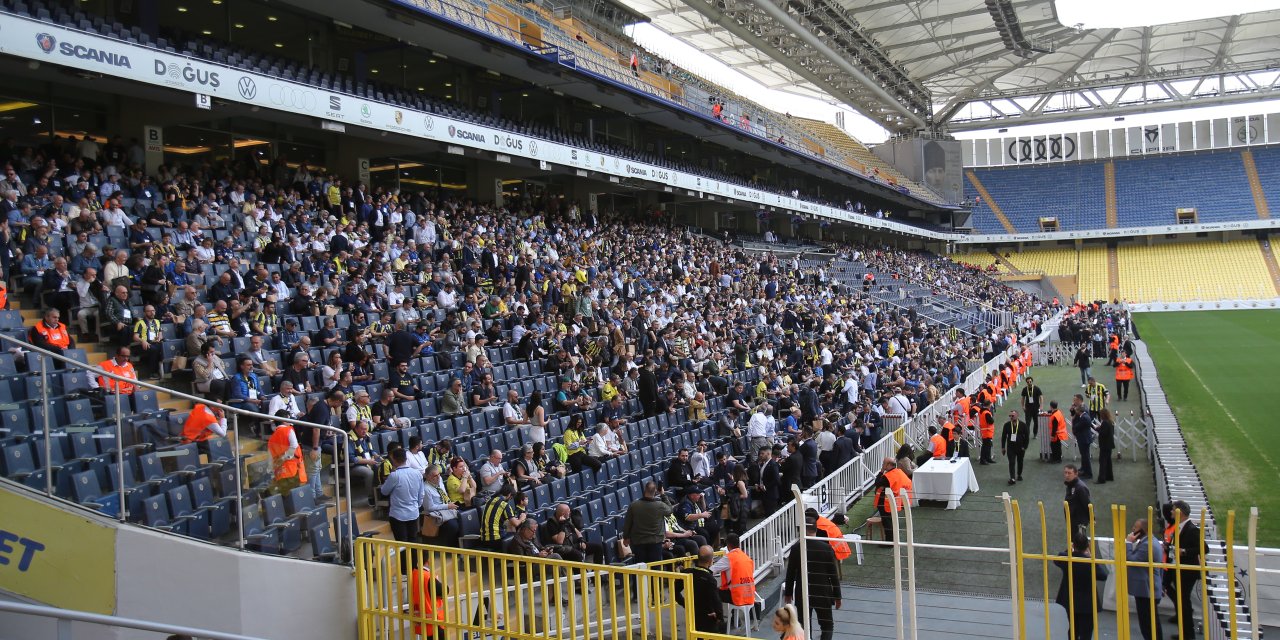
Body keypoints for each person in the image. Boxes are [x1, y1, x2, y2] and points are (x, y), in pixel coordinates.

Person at [784, 517, 842, 640]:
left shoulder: (796, 549)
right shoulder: (826, 548)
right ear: (816, 529)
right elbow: (833, 575)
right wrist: (838, 596)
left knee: (804, 625)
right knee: (827, 625)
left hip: (803, 592)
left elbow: (790, 574)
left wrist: (788, 594)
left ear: (803, 530)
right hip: (823, 592)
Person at [1054, 531, 1107, 640]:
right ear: (1087, 546)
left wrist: (1069, 551)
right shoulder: (1089, 563)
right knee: (1086, 632)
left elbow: (1057, 559)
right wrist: (1091, 558)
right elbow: (1103, 576)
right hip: (1088, 603)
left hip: (1070, 600)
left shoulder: (1065, 558)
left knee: (1073, 629)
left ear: (1073, 545)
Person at [1169, 500, 1206, 640]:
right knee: (1181, 602)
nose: (1171, 512)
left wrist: (1183, 551)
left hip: (1187, 572)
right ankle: (1185, 634)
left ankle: (1187, 635)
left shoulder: (1191, 529)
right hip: (1179, 570)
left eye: (1173, 510)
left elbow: (1204, 548)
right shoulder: (1180, 527)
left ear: (1181, 513)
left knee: (1183, 603)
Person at [1125, 518, 1165, 640]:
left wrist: (1128, 543)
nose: (1132, 530)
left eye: (1135, 528)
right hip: (1148, 588)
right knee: (1150, 622)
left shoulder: (1148, 545)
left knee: (1148, 624)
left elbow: (1132, 560)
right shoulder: (1150, 542)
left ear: (1142, 530)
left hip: (1147, 590)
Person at [380, 447, 426, 543]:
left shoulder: (394, 475)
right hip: (413, 512)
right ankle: (414, 559)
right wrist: (415, 506)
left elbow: (384, 491)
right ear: (406, 459)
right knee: (413, 540)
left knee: (402, 543)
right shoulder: (417, 473)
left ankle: (405, 559)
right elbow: (421, 494)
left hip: (398, 514)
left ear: (394, 460)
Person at [676, 545, 723, 633]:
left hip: (692, 614)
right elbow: (716, 601)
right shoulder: (710, 579)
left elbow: (674, 591)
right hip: (708, 616)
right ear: (710, 561)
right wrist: (719, 617)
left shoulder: (687, 573)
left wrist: (685, 604)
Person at [622, 481, 673, 564]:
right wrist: (663, 495)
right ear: (655, 491)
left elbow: (628, 523)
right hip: (655, 542)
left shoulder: (634, 505)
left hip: (638, 542)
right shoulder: (660, 505)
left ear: (644, 489)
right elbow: (670, 510)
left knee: (641, 569)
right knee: (655, 569)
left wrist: (626, 537)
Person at [872, 457, 912, 541]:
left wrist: (882, 471)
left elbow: (877, 483)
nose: (882, 465)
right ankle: (893, 539)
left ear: (889, 465)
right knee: (892, 520)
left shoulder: (887, 476)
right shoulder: (899, 472)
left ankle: (890, 541)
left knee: (887, 522)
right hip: (896, 500)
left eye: (884, 464)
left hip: (886, 503)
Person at [421, 464, 461, 547]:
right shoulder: (425, 489)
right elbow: (429, 507)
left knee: (463, 518)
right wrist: (447, 506)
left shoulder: (440, 480)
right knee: (453, 525)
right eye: (435, 476)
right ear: (428, 477)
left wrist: (449, 505)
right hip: (437, 513)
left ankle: (461, 545)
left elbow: (444, 494)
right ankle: (450, 547)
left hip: (448, 508)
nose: (438, 477)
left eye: (439, 474)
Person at [267, 420, 307, 496]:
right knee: (295, 497)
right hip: (293, 469)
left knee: (285, 496)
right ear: (284, 421)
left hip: (280, 472)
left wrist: (271, 473)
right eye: (288, 419)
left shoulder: (271, 438)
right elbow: (294, 445)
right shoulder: (288, 429)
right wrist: (285, 457)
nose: (290, 422)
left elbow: (271, 458)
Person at [479, 485, 517, 553]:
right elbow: (516, 523)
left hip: (484, 539)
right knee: (517, 537)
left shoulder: (489, 500)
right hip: (495, 540)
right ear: (509, 495)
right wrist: (522, 517)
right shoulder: (504, 505)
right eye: (511, 498)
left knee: (509, 527)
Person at [1000, 409, 1030, 485]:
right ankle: (1012, 478)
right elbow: (1003, 437)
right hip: (1011, 447)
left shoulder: (1023, 425)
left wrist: (1025, 447)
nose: (1011, 417)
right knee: (1011, 462)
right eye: (1010, 416)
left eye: (1012, 416)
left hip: (1020, 447)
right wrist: (1003, 447)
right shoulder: (1007, 425)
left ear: (1017, 415)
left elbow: (1027, 437)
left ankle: (1019, 474)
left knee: (1020, 462)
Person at [1064, 464, 1091, 536]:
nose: (1066, 475)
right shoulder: (1070, 485)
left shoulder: (1080, 487)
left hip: (1079, 522)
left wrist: (1092, 518)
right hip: (1073, 519)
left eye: (1069, 473)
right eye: (1065, 473)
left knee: (1080, 542)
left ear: (1076, 474)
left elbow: (1087, 504)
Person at [1071, 405, 1094, 479]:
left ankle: (1088, 473)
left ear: (1079, 411)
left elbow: (1077, 426)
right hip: (1084, 439)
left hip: (1084, 439)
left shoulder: (1083, 418)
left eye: (1076, 411)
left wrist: (1073, 420)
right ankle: (1085, 471)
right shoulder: (1085, 416)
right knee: (1084, 456)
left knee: (1085, 457)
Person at [1095, 408, 1115, 484]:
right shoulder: (1110, 422)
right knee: (1108, 461)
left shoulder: (1105, 423)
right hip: (1109, 444)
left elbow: (1103, 433)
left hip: (1105, 445)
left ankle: (1101, 478)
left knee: (1102, 461)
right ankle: (1109, 476)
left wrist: (1098, 429)